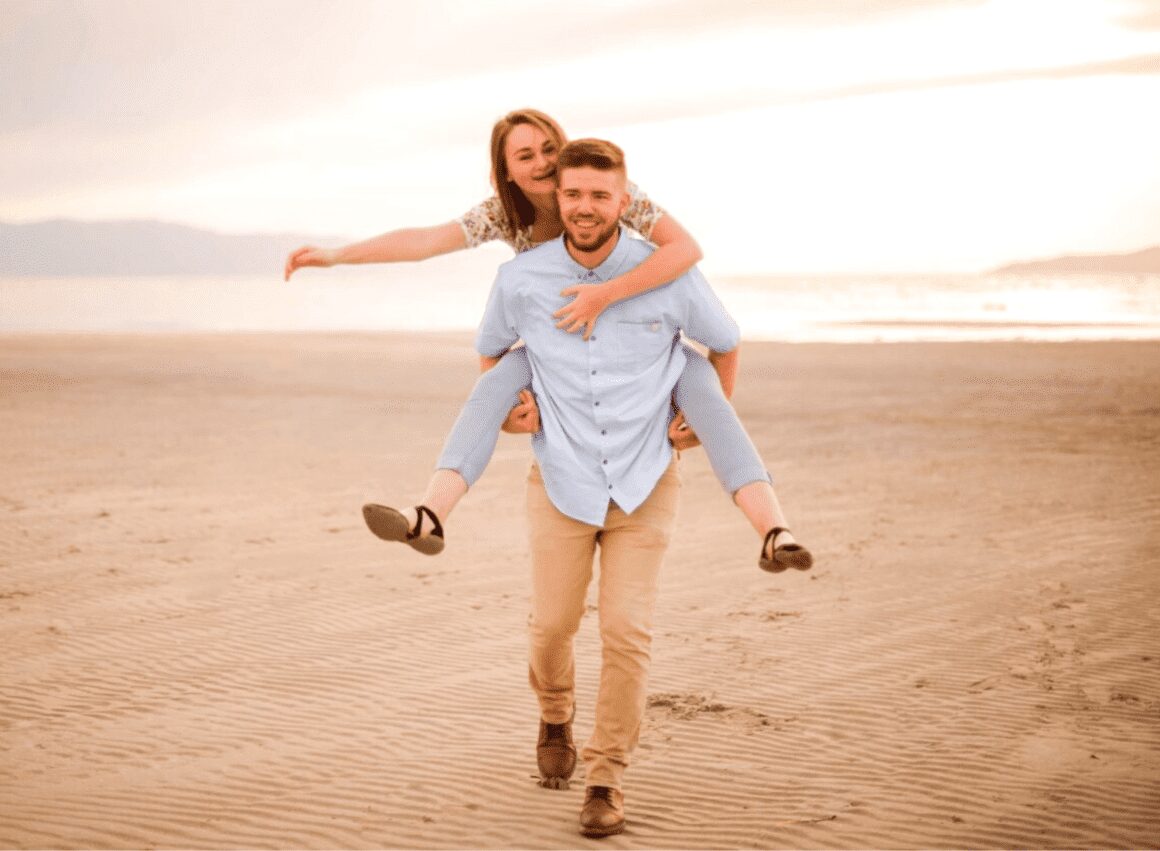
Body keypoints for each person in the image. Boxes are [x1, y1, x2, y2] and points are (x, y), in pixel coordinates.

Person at [285, 108, 811, 572]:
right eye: (524, 155)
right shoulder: (502, 213)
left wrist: (605, 295)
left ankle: (773, 530)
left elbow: (685, 249)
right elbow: (424, 242)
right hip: (556, 345)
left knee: (701, 381)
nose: (540, 162)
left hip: (630, 336)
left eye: (547, 149)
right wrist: (333, 256)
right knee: (489, 388)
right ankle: (430, 514)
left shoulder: (597, 194)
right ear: (505, 170)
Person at [474, 138, 794, 837]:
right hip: (559, 477)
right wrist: (505, 413)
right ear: (557, 200)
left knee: (626, 630)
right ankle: (555, 706)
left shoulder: (666, 274)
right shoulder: (523, 278)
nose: (585, 207)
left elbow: (726, 338)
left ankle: (605, 776)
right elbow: (491, 353)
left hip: (646, 480)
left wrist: (698, 420)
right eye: (573, 195)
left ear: (626, 200)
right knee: (553, 623)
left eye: (600, 194)